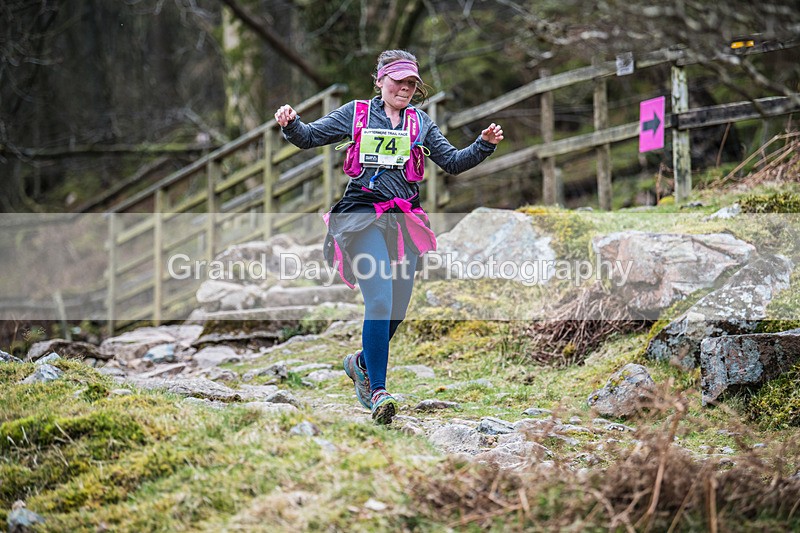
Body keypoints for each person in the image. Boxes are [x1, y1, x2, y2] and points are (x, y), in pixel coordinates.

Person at [275, 49, 503, 425]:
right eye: (399, 81)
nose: (406, 88)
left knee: (397, 308)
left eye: (412, 83)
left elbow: (453, 162)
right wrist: (291, 123)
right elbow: (309, 137)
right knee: (379, 299)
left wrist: (483, 145)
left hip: (403, 221)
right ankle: (378, 390)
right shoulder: (356, 114)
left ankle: (361, 362)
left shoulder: (421, 123)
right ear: (380, 80)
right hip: (361, 218)